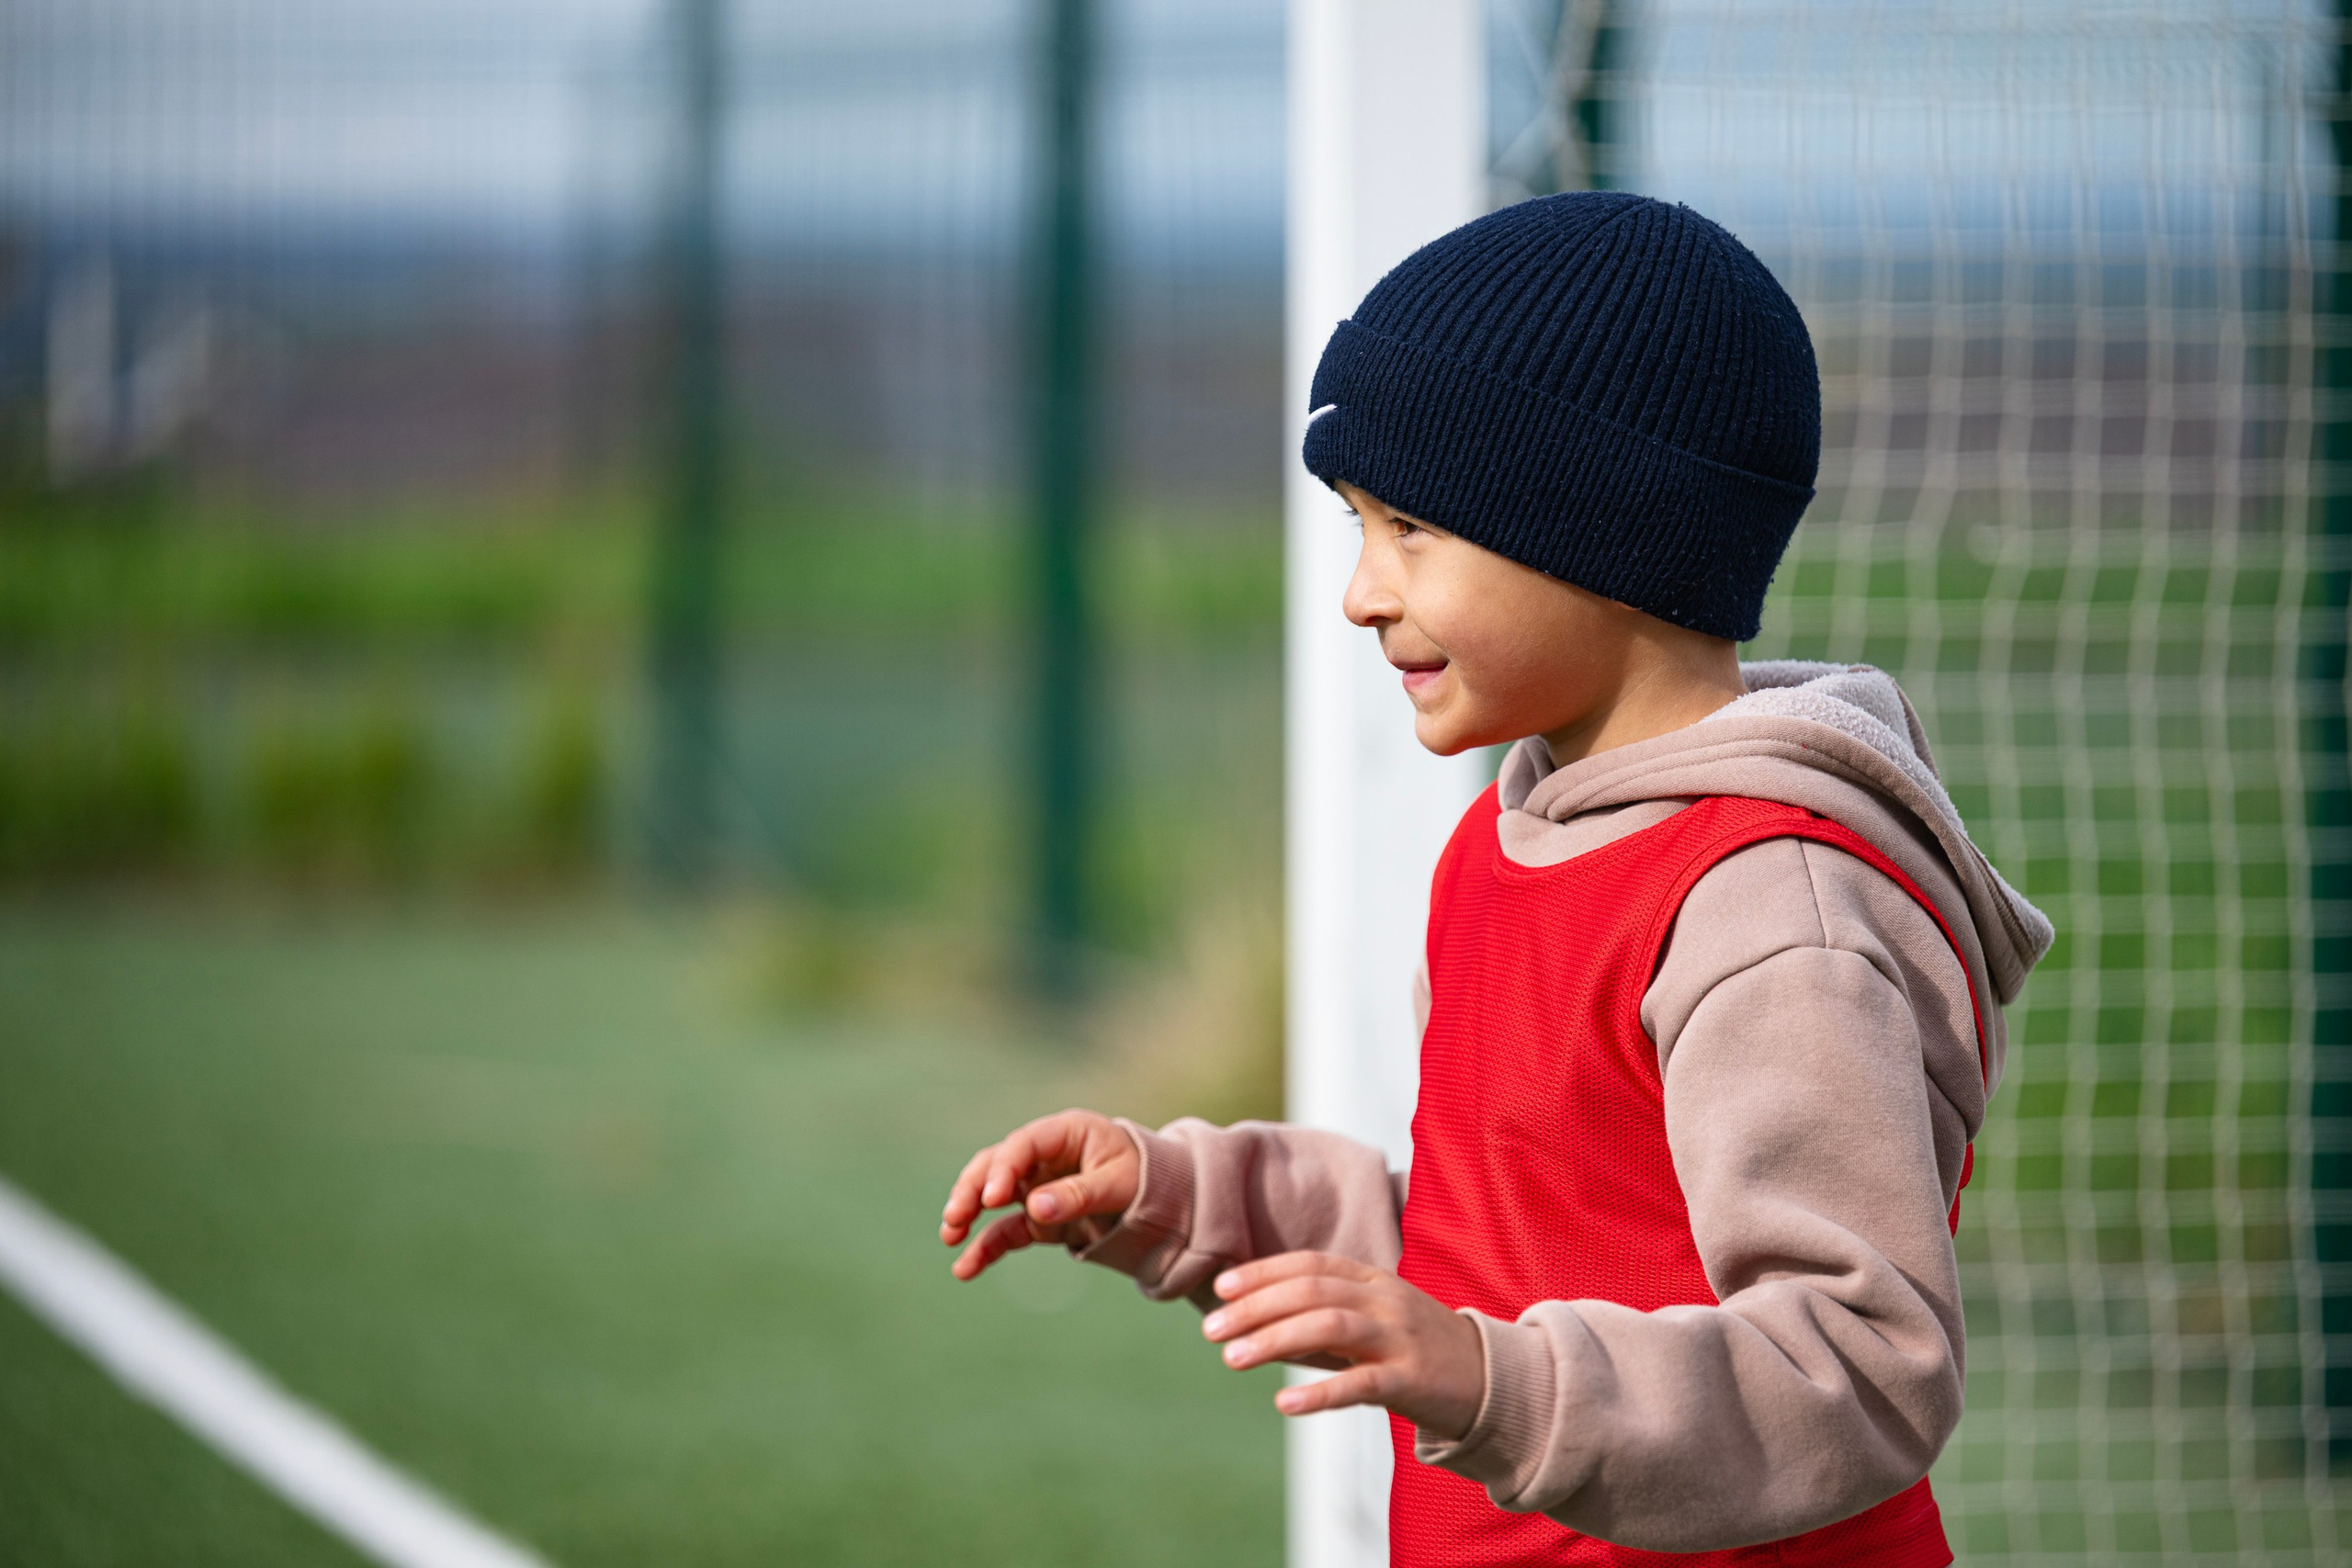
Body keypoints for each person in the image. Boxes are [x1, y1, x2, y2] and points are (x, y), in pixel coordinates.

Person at [937, 191, 2052, 1565]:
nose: (1359, 590)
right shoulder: (1512, 835)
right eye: (1357, 525)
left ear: (1608, 528)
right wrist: (1184, 1196)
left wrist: (1489, 1377)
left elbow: (1865, 1363)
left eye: (1409, 527)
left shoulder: (1771, 910)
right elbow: (1505, 1234)